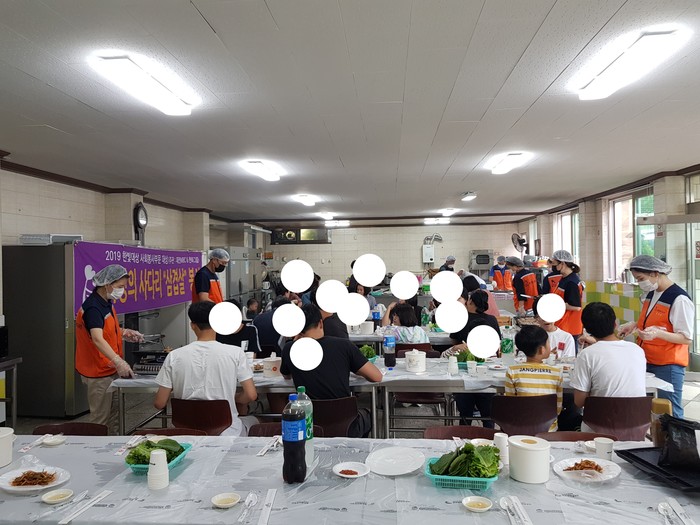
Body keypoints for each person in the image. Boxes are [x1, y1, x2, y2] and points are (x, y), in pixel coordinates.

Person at [154, 301, 259, 436]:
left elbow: (159, 403)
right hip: (227, 432)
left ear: (192, 325)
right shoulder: (235, 353)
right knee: (256, 421)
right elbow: (251, 395)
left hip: (187, 433)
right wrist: (234, 397)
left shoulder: (174, 356)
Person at [280, 304, 383, 437]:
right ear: (321, 323)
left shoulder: (289, 349)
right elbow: (377, 377)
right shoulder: (343, 345)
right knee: (368, 415)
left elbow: (286, 375)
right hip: (346, 425)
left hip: (309, 424)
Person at [618, 255, 694, 418]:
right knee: (650, 410)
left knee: (669, 412)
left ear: (655, 273)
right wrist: (634, 325)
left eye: (640, 278)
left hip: (668, 364)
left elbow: (686, 338)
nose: (639, 283)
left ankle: (676, 436)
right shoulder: (652, 293)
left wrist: (659, 334)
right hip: (647, 359)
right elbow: (652, 320)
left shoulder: (679, 299)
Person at [75, 264, 144, 434]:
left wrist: (124, 332)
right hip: (97, 371)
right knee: (100, 420)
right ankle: (94, 448)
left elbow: (105, 329)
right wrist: (118, 361)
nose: (122, 291)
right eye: (120, 286)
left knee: (114, 416)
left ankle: (112, 445)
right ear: (107, 285)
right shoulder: (93, 308)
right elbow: (97, 339)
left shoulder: (106, 303)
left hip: (109, 368)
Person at [570, 303, 647, 428]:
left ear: (586, 330)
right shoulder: (637, 350)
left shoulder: (587, 355)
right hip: (636, 425)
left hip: (600, 427)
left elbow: (579, 401)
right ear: (615, 324)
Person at [442, 290, 501, 427]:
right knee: (488, 416)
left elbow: (452, 342)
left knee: (465, 414)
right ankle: (488, 435)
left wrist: (458, 347)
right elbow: (498, 343)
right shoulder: (491, 320)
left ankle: (464, 433)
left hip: (464, 379)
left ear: (470, 302)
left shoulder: (461, 319)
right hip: (486, 379)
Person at [506, 325, 563, 431]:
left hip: (521, 428)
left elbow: (511, 405)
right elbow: (558, 408)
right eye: (548, 343)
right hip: (548, 430)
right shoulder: (556, 372)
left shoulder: (512, 371)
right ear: (542, 350)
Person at [549, 250, 584, 351]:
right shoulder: (564, 278)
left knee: (567, 356)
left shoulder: (571, 282)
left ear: (563, 263)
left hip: (569, 326)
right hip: (562, 323)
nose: (553, 267)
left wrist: (556, 304)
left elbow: (576, 307)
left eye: (554, 264)